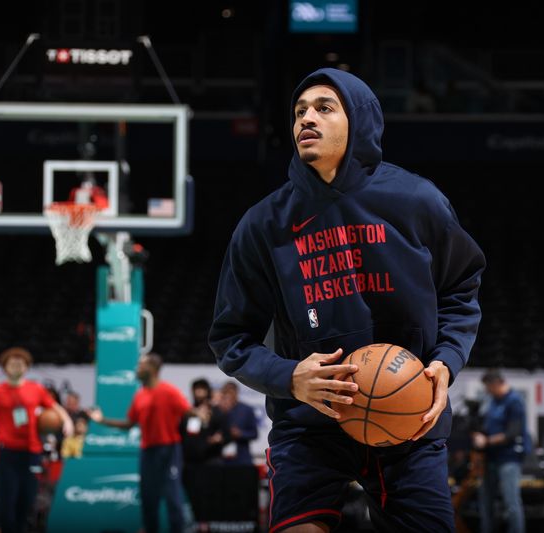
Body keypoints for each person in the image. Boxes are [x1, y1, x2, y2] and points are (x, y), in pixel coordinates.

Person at [208, 67, 486, 533]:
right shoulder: (263, 225)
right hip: (309, 423)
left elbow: (461, 287)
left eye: (323, 108)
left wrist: (445, 361)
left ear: (358, 120)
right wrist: (290, 377)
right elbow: (231, 338)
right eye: (299, 111)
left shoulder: (417, 200)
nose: (306, 119)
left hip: (408, 419)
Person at [0, 347, 74, 533]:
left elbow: (56, 408)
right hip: (6, 454)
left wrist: (67, 421)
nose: (16, 366)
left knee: (27, 502)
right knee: (6, 504)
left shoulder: (37, 389)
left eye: (20, 363)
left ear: (27, 367)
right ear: (4, 367)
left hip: (31, 453)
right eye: (12, 363)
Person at [87, 353, 191, 533]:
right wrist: (102, 420)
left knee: (173, 498)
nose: (138, 369)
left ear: (154, 369)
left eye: (142, 365)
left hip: (169, 450)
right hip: (148, 452)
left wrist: (200, 414)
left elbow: (188, 411)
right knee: (148, 499)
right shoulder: (139, 395)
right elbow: (128, 423)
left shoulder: (169, 391)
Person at [471, 369, 531, 533]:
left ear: (496, 383)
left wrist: (486, 441)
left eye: (488, 387)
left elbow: (513, 433)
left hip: (509, 457)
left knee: (511, 501)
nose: (487, 391)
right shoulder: (493, 401)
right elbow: (488, 427)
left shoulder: (514, 401)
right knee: (485, 501)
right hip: (491, 457)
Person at [179, 377, 229, 522]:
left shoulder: (216, 412)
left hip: (211, 461)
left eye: (202, 389)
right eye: (196, 389)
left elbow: (226, 433)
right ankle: (196, 525)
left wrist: (218, 439)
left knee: (211, 497)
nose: (199, 392)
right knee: (192, 497)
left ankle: (210, 525)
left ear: (207, 391)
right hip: (190, 463)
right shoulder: (188, 412)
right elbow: (182, 432)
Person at [217, 381, 258, 465]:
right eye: (226, 393)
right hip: (222, 460)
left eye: (231, 393)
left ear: (236, 393)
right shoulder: (217, 410)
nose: (229, 396)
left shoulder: (246, 410)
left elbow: (254, 433)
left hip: (242, 459)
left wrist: (240, 434)